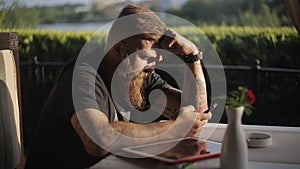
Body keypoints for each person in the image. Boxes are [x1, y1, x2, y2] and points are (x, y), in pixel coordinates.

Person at [25, 4, 212, 169]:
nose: (155, 65)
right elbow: (97, 141)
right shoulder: (81, 75)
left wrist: (192, 56)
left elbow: (195, 111)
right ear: (118, 49)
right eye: (146, 57)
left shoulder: (141, 77)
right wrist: (174, 128)